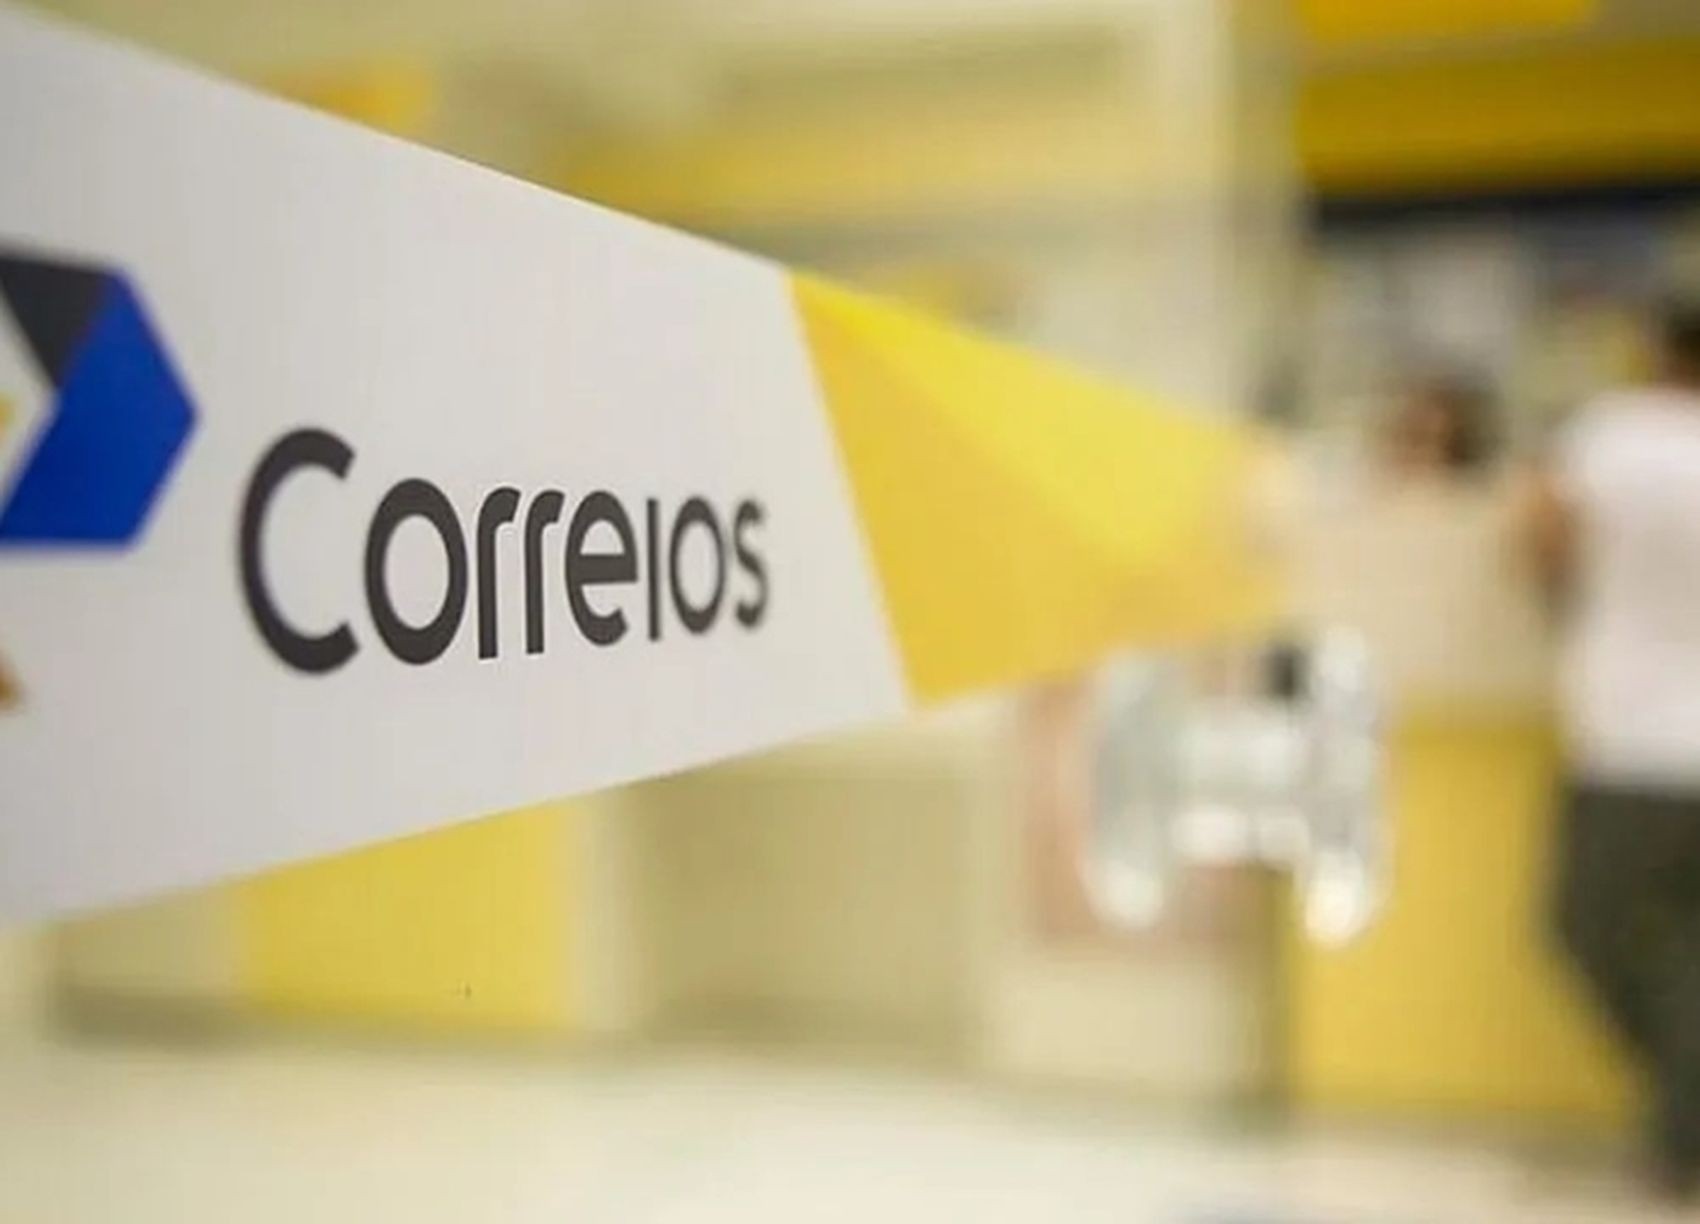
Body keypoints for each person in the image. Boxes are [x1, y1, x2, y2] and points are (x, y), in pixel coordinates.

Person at [1527, 300, 1700, 1197]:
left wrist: (1566, 602)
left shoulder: (1616, 434)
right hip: (1657, 740)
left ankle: (1684, 1123)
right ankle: (1681, 1122)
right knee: (1681, 947)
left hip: (1633, 740)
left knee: (1586, 926)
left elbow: (1540, 532)